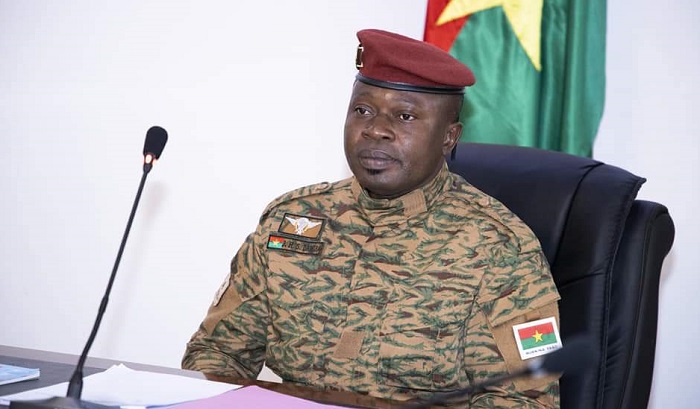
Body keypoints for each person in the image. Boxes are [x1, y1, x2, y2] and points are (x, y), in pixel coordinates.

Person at [182, 28, 561, 408]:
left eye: (405, 116)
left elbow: (526, 401)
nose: (376, 129)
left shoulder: (500, 248)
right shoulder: (294, 219)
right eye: (362, 110)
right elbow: (218, 353)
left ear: (449, 137)